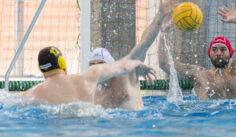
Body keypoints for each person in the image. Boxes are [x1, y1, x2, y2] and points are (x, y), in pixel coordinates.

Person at [89, 0, 181, 110]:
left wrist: (160, 15)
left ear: (111, 65)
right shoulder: (92, 94)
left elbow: (144, 44)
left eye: (100, 64)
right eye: (92, 65)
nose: (96, 68)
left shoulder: (126, 73)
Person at [158, 3, 236, 100]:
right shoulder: (199, 74)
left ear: (230, 53)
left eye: (223, 49)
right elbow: (164, 64)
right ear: (209, 54)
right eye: (214, 50)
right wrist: (164, 32)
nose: (218, 53)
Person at [23, 46, 155, 105]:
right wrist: (137, 63)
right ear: (62, 63)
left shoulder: (29, 94)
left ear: (40, 68)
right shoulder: (85, 79)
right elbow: (124, 65)